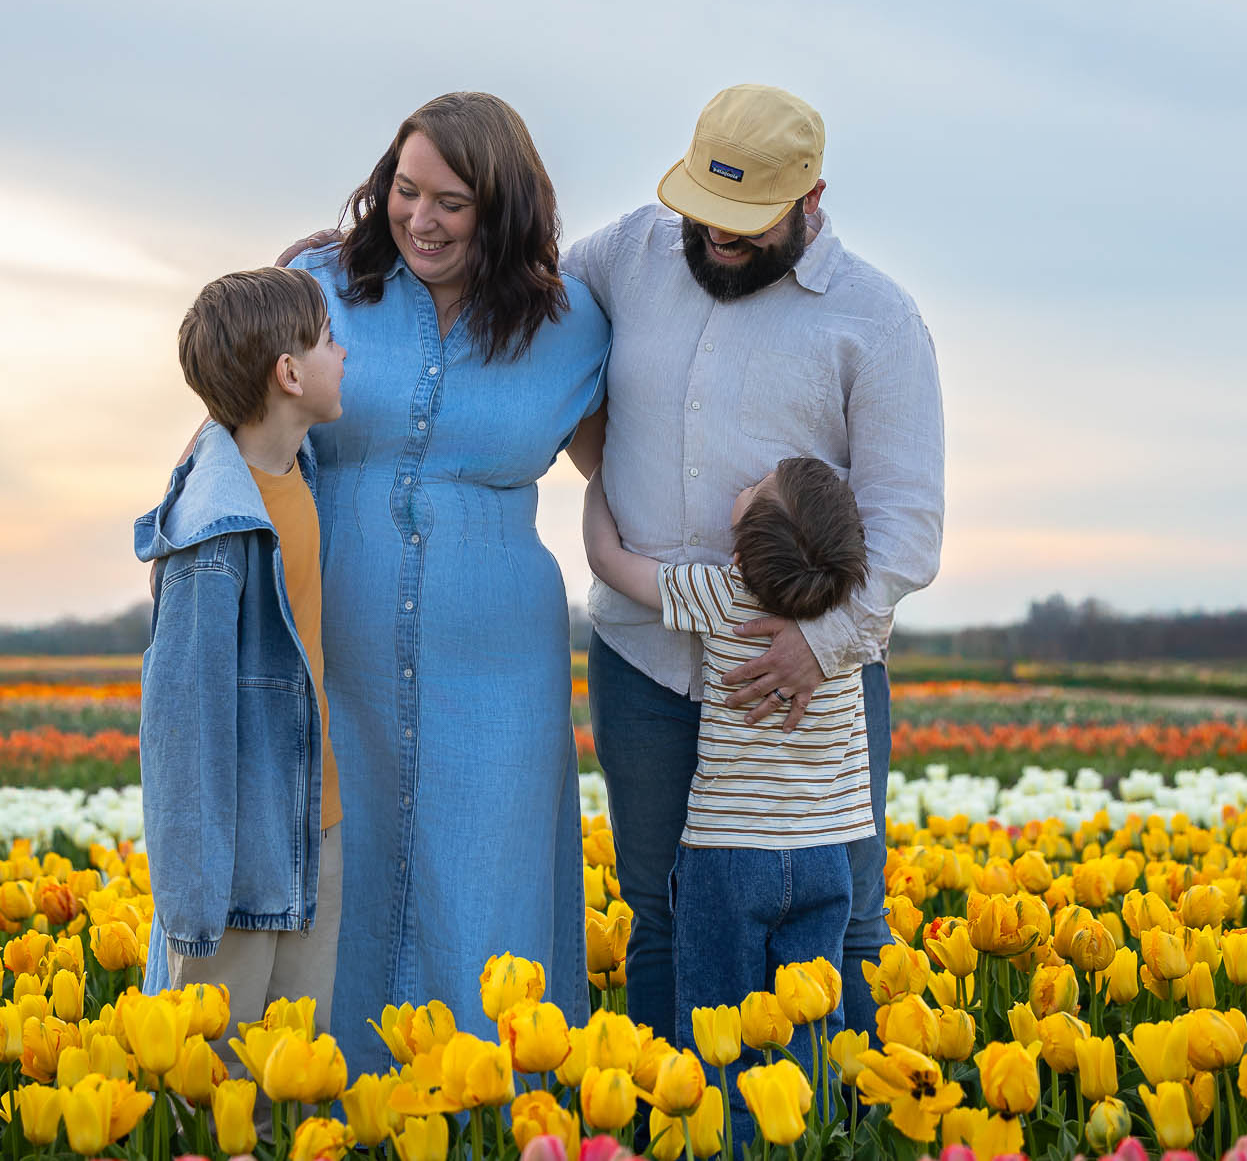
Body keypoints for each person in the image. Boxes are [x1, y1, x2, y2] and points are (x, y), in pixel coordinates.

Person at [563, 83, 945, 1046]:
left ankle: (842, 1128)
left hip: (812, 686)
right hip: (644, 659)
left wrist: (819, 647)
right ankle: (659, 1124)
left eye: (745, 224)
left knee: (848, 913)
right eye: (704, 215)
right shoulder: (631, 250)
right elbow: (530, 302)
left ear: (812, 199)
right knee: (659, 909)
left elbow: (909, 526)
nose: (715, 240)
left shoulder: (879, 319)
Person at [280, 91, 610, 1074]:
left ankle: (496, 1114)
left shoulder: (575, 327)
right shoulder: (317, 285)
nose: (418, 219)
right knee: (342, 883)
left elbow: (624, 471)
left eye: (450, 202)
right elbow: (235, 428)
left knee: (491, 882)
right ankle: (336, 1117)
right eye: (403, 190)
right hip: (335, 650)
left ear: (503, 211)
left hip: (500, 664)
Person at [584, 454, 872, 1139]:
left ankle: (723, 1146)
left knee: (715, 1034)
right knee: (808, 1028)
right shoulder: (850, 626)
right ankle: (797, 1140)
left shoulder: (718, 594)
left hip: (727, 859)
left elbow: (606, 560)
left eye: (756, 489)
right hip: (823, 856)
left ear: (742, 550)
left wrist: (603, 481)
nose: (747, 479)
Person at [134, 266, 349, 1070]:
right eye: (329, 338)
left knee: (295, 1072)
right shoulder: (215, 532)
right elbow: (181, 725)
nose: (344, 351)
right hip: (237, 865)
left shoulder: (301, 472)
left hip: (314, 825)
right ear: (289, 374)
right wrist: (191, 907)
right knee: (215, 1085)